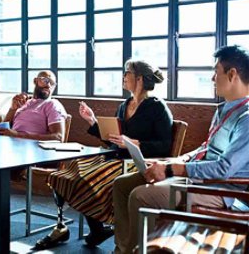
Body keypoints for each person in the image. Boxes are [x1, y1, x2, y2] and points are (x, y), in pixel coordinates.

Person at [113, 45, 249, 253]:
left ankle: (136, 250)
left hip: (220, 188)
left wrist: (172, 170)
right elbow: (206, 148)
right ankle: (123, 248)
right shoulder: (223, 109)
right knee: (122, 185)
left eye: (216, 72)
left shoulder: (246, 118)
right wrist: (176, 161)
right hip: (198, 176)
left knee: (140, 195)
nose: (213, 79)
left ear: (232, 74)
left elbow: (224, 169)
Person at [35, 59, 173, 250]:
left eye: (127, 73)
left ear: (139, 79)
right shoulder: (125, 105)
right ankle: (97, 228)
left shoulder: (158, 108)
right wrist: (92, 121)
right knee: (69, 170)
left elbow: (165, 145)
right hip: (115, 157)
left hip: (136, 162)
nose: (123, 77)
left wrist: (135, 143)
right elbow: (112, 140)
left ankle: (100, 227)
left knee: (90, 177)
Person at [0, 70, 67, 141]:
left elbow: (58, 137)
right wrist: (12, 109)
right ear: (35, 81)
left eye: (52, 83)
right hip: (11, 146)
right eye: (45, 80)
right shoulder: (23, 103)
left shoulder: (52, 104)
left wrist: (18, 135)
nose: (49, 85)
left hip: (33, 149)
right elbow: (3, 130)